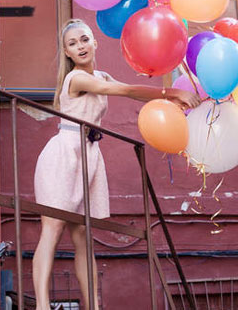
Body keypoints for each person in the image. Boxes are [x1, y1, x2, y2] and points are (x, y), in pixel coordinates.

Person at [32, 19, 201, 310]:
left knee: (84, 237)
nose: (80, 47)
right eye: (72, 44)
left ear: (94, 42)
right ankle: (43, 306)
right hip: (64, 155)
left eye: (84, 39)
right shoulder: (76, 79)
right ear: (67, 53)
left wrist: (170, 98)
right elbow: (121, 92)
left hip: (89, 156)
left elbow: (129, 89)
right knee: (53, 229)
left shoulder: (101, 74)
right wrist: (173, 94)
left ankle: (94, 305)